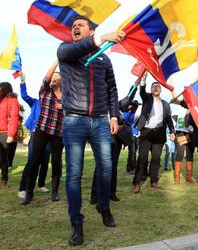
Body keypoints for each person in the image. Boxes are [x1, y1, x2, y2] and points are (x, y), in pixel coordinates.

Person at [57, 15, 123, 246]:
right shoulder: (66, 50)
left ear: (91, 30)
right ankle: (77, 223)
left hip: (100, 122)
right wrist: (102, 38)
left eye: (80, 25)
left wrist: (113, 115)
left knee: (106, 168)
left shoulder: (104, 59)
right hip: (74, 121)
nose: (75, 28)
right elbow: (70, 52)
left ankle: (103, 206)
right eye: (73, 26)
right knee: (74, 175)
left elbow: (113, 88)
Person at [21, 61, 64, 205]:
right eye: (52, 77)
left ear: (61, 81)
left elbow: (74, 110)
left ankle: (55, 191)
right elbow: (46, 77)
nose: (52, 79)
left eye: (56, 78)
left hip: (58, 132)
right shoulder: (45, 91)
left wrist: (63, 106)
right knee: (34, 161)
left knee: (57, 162)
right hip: (42, 130)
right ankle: (29, 193)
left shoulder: (67, 95)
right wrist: (58, 61)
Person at [133, 81, 176, 193]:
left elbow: (168, 120)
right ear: (151, 90)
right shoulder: (147, 98)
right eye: (154, 87)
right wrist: (143, 80)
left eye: (158, 87)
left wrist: (172, 132)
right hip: (146, 132)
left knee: (156, 158)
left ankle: (154, 181)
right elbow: (142, 91)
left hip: (159, 134)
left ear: (160, 90)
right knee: (142, 158)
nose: (156, 88)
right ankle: (137, 183)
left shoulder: (165, 104)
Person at [17, 72, 51, 199]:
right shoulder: (35, 102)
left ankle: (41, 183)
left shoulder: (53, 103)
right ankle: (23, 188)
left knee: (45, 160)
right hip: (36, 133)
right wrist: (22, 82)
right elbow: (24, 95)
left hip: (48, 134)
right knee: (32, 161)